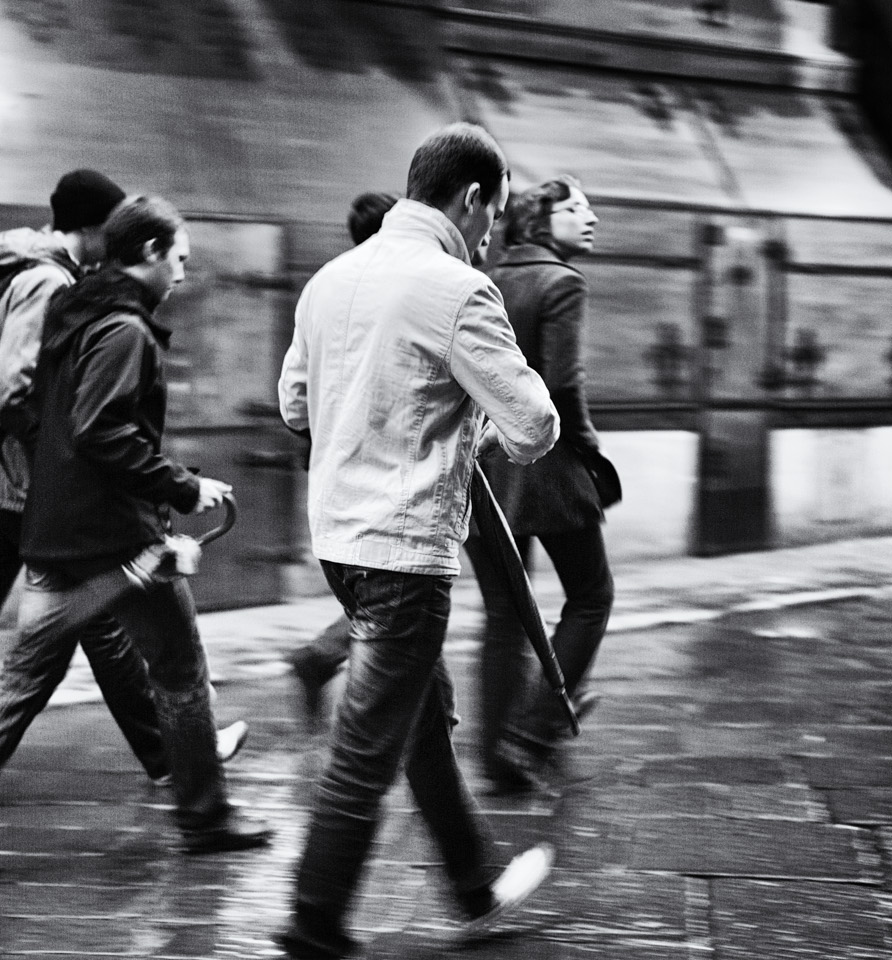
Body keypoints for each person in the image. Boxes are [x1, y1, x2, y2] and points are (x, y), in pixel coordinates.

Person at [0, 195, 271, 881]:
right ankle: (206, 816)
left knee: (19, 678)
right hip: (117, 541)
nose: (184, 275)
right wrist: (181, 488)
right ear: (151, 253)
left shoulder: (73, 316)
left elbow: (51, 421)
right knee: (181, 673)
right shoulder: (124, 330)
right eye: (180, 259)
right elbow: (102, 431)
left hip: (52, 530)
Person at [276, 123, 561, 959]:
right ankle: (314, 918)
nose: (490, 238)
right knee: (368, 743)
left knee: (420, 714)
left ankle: (472, 884)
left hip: (336, 540)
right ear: (471, 198)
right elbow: (535, 423)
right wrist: (469, 425)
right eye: (494, 219)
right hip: (403, 544)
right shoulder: (458, 290)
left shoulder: (329, 279)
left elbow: (295, 406)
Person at [468, 175, 614, 793]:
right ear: (538, 220)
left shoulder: (485, 281)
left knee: (503, 613)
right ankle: (533, 731)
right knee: (590, 597)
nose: (591, 218)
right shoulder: (562, 282)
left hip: (481, 466)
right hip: (546, 463)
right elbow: (561, 386)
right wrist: (590, 450)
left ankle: (497, 755)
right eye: (576, 207)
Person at [284, 190, 398, 730]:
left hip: (331, 475)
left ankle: (322, 659)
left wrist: (324, 438)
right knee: (399, 596)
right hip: (390, 474)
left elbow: (292, 400)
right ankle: (324, 664)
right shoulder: (409, 296)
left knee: (378, 594)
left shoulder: (322, 288)